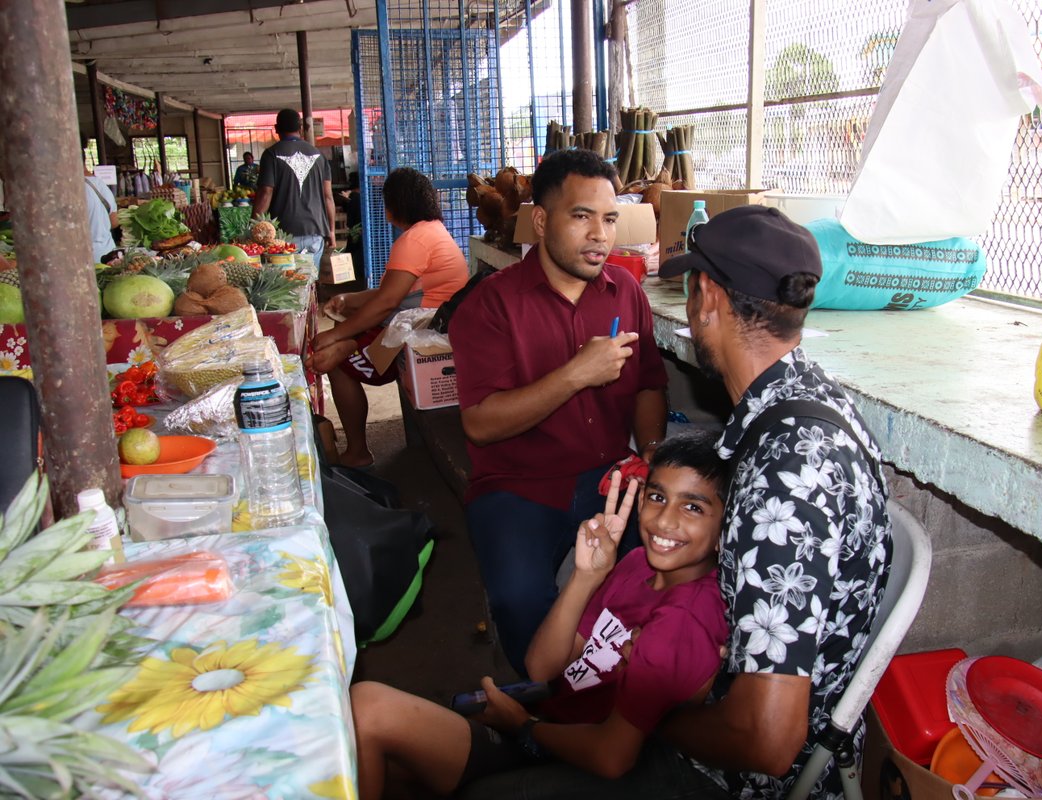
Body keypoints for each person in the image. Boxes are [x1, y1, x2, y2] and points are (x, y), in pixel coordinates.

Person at [460, 205, 894, 800]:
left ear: (708, 298)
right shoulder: (810, 397)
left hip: (729, 776)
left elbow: (765, 740)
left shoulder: (783, 482)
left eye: (692, 288)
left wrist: (643, 703)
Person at [351, 430, 730, 800]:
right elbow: (543, 668)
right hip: (554, 722)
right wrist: (587, 576)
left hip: (572, 752)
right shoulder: (636, 565)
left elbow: (611, 757)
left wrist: (523, 727)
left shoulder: (684, 618)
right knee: (389, 760)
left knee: (369, 711)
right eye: (657, 497)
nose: (664, 521)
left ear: (725, 528)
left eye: (693, 507)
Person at [448, 149, 668, 674]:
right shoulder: (491, 305)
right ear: (542, 220)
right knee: (520, 600)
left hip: (612, 478)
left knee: (668, 568)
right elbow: (479, 421)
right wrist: (576, 373)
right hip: (520, 485)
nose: (600, 235)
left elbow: (649, 385)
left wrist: (653, 456)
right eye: (581, 216)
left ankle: (625, 691)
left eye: (610, 219)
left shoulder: (627, 292)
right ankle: (539, 710)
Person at [306, 167, 468, 467]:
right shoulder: (431, 231)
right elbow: (390, 294)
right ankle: (353, 343)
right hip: (428, 322)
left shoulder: (414, 240)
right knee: (344, 332)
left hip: (423, 336)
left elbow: (387, 303)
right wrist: (348, 300)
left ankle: (358, 452)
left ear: (394, 205)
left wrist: (337, 334)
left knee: (333, 361)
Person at [252, 109, 335, 267]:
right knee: (308, 284)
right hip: (315, 231)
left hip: (283, 235)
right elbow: (328, 197)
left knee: (287, 286)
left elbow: (265, 193)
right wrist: (331, 231)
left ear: (276, 129)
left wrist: (255, 226)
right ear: (301, 129)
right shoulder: (319, 155)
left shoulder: (271, 155)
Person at [84, 160, 119, 264]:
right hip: (109, 254)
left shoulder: (70, 189)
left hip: (86, 259)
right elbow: (114, 222)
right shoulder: (101, 184)